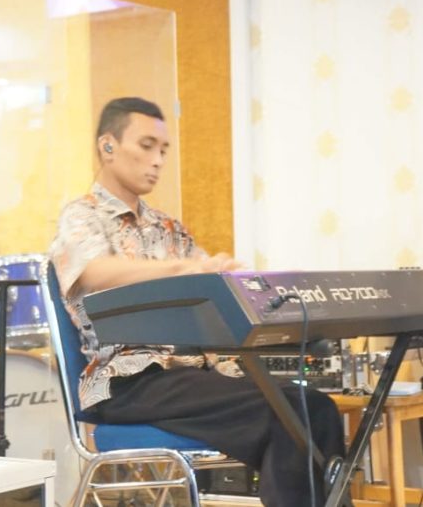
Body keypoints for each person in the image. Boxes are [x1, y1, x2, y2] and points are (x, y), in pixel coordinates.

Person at [49, 97, 346, 507]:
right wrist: (181, 268)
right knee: (287, 419)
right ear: (108, 146)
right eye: (147, 146)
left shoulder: (169, 228)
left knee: (316, 408)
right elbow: (94, 271)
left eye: (163, 150)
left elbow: (209, 279)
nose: (157, 160)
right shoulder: (82, 216)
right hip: (128, 382)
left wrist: (235, 276)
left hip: (188, 376)